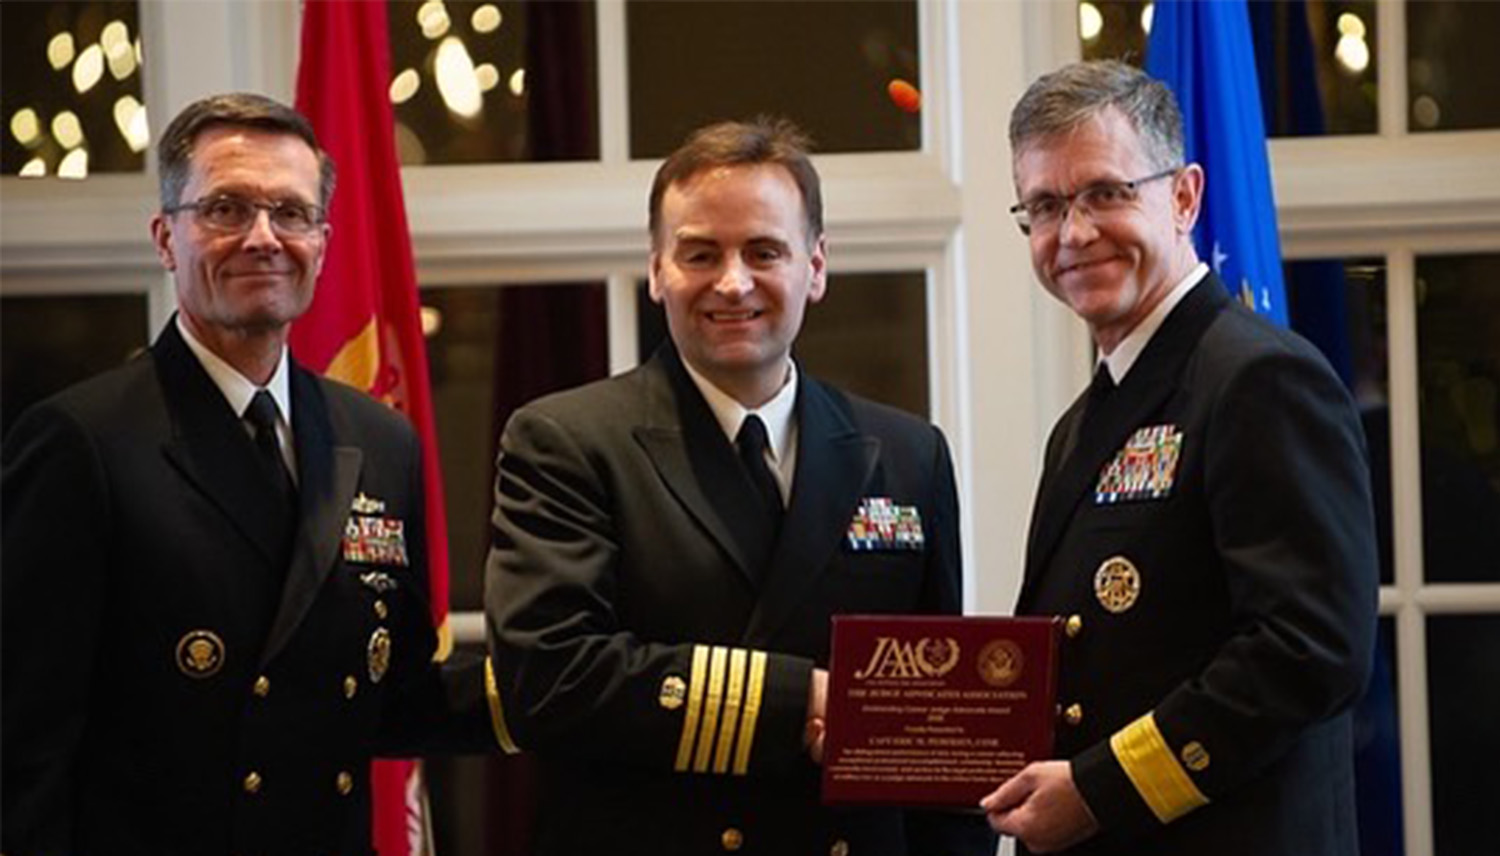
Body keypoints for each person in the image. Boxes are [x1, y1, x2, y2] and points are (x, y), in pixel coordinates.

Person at [484, 119, 995, 855]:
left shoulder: (909, 455)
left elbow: (936, 735)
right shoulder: (569, 441)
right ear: (657, 268)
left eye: (764, 251)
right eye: (700, 253)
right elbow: (550, 677)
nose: (733, 282)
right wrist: (800, 702)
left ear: (815, 268)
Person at [1, 93, 493, 855]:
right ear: (167, 238)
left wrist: (564, 680)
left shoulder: (381, 441)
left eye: (291, 213)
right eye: (226, 209)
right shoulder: (82, 443)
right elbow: (24, 749)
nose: (263, 238)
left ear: (322, 244)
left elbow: (393, 698)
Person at [978, 60, 1378, 855]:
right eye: (1047, 206)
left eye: (1106, 193)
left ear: (1185, 196)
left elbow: (1310, 650)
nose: (1076, 233)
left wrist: (1100, 791)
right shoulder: (1086, 421)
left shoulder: (1258, 377)